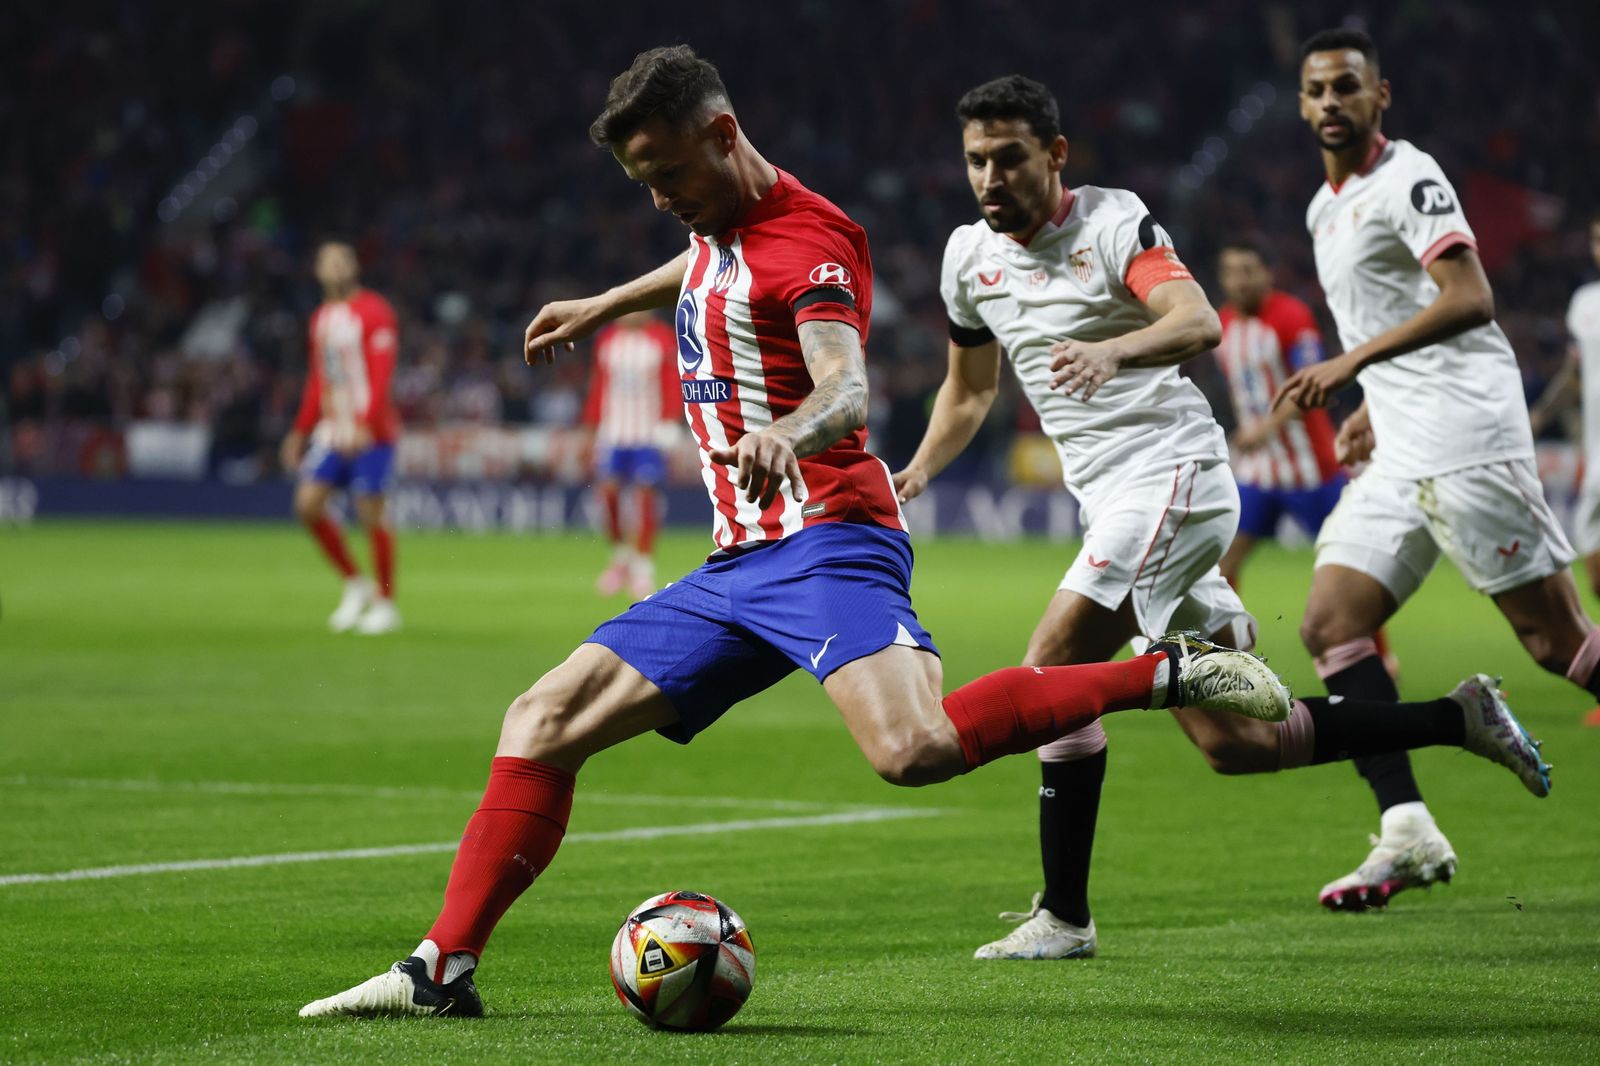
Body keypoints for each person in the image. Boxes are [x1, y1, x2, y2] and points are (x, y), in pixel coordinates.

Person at [297, 46, 1294, 1019]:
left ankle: (1168, 674)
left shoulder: (813, 243)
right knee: (540, 720)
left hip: (828, 538)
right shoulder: (723, 221)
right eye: (642, 180)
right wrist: (608, 303)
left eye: (669, 173)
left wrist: (789, 427)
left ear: (723, 136)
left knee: (913, 749)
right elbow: (709, 262)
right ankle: (439, 968)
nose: (659, 197)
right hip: (739, 558)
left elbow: (846, 385)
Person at [892, 75, 1549, 960]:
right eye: (976, 160)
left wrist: (1112, 347)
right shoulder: (967, 258)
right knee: (1237, 743)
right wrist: (922, 469)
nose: (989, 177)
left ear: (1054, 155)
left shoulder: (1114, 223)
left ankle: (1065, 915)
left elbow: (1195, 319)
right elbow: (969, 389)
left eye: (1009, 157)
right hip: (1112, 502)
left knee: (1049, 672)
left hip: (1173, 474)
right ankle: (1458, 718)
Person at [1273, 28, 1595, 911]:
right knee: (1331, 623)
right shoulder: (1321, 208)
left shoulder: (1408, 177)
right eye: (1317, 90)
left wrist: (1346, 370)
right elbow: (1399, 312)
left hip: (1464, 433)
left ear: (1382, 96)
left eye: (1348, 87)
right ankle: (1407, 829)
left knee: (1555, 642)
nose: (1332, 102)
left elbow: (1468, 297)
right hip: (1405, 437)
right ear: (1301, 105)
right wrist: (1375, 399)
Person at [278, 241, 402, 636]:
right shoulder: (321, 319)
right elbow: (320, 380)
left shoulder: (375, 311)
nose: (336, 267)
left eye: (343, 260)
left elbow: (382, 374)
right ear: (318, 271)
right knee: (307, 505)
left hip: (373, 433)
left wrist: (366, 422)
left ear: (354, 267)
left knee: (371, 514)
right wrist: (300, 430)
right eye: (328, 261)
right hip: (333, 433)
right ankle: (355, 583)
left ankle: (385, 604)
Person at [1212, 242, 1345, 586]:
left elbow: (1310, 385)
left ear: (1267, 274)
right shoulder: (1223, 322)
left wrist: (1264, 428)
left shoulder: (1292, 316)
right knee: (1221, 565)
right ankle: (1228, 640)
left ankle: (1372, 644)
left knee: (1344, 568)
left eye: (1248, 271)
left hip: (1310, 467)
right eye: (1231, 272)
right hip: (1257, 469)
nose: (1239, 281)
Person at [583, 310, 681, 598]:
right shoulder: (608, 340)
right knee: (609, 495)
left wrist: (670, 421)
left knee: (645, 498)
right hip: (613, 433)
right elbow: (599, 385)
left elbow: (671, 381)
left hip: (648, 434)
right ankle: (620, 557)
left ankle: (643, 567)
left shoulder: (660, 338)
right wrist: (590, 426)